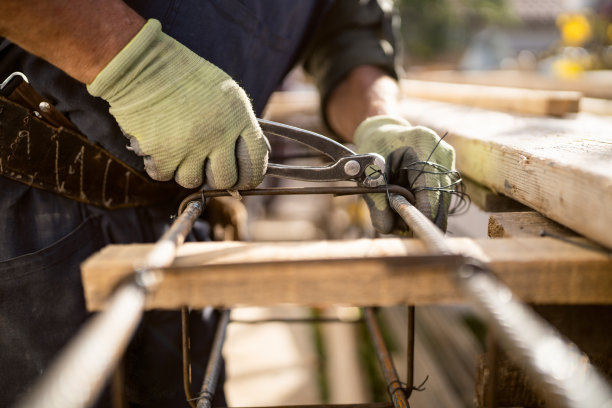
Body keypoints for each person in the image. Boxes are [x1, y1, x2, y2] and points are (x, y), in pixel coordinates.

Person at [0, 0, 455, 406]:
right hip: (32, 209)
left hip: (184, 214)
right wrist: (134, 66)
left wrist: (378, 119)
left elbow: (349, 33)